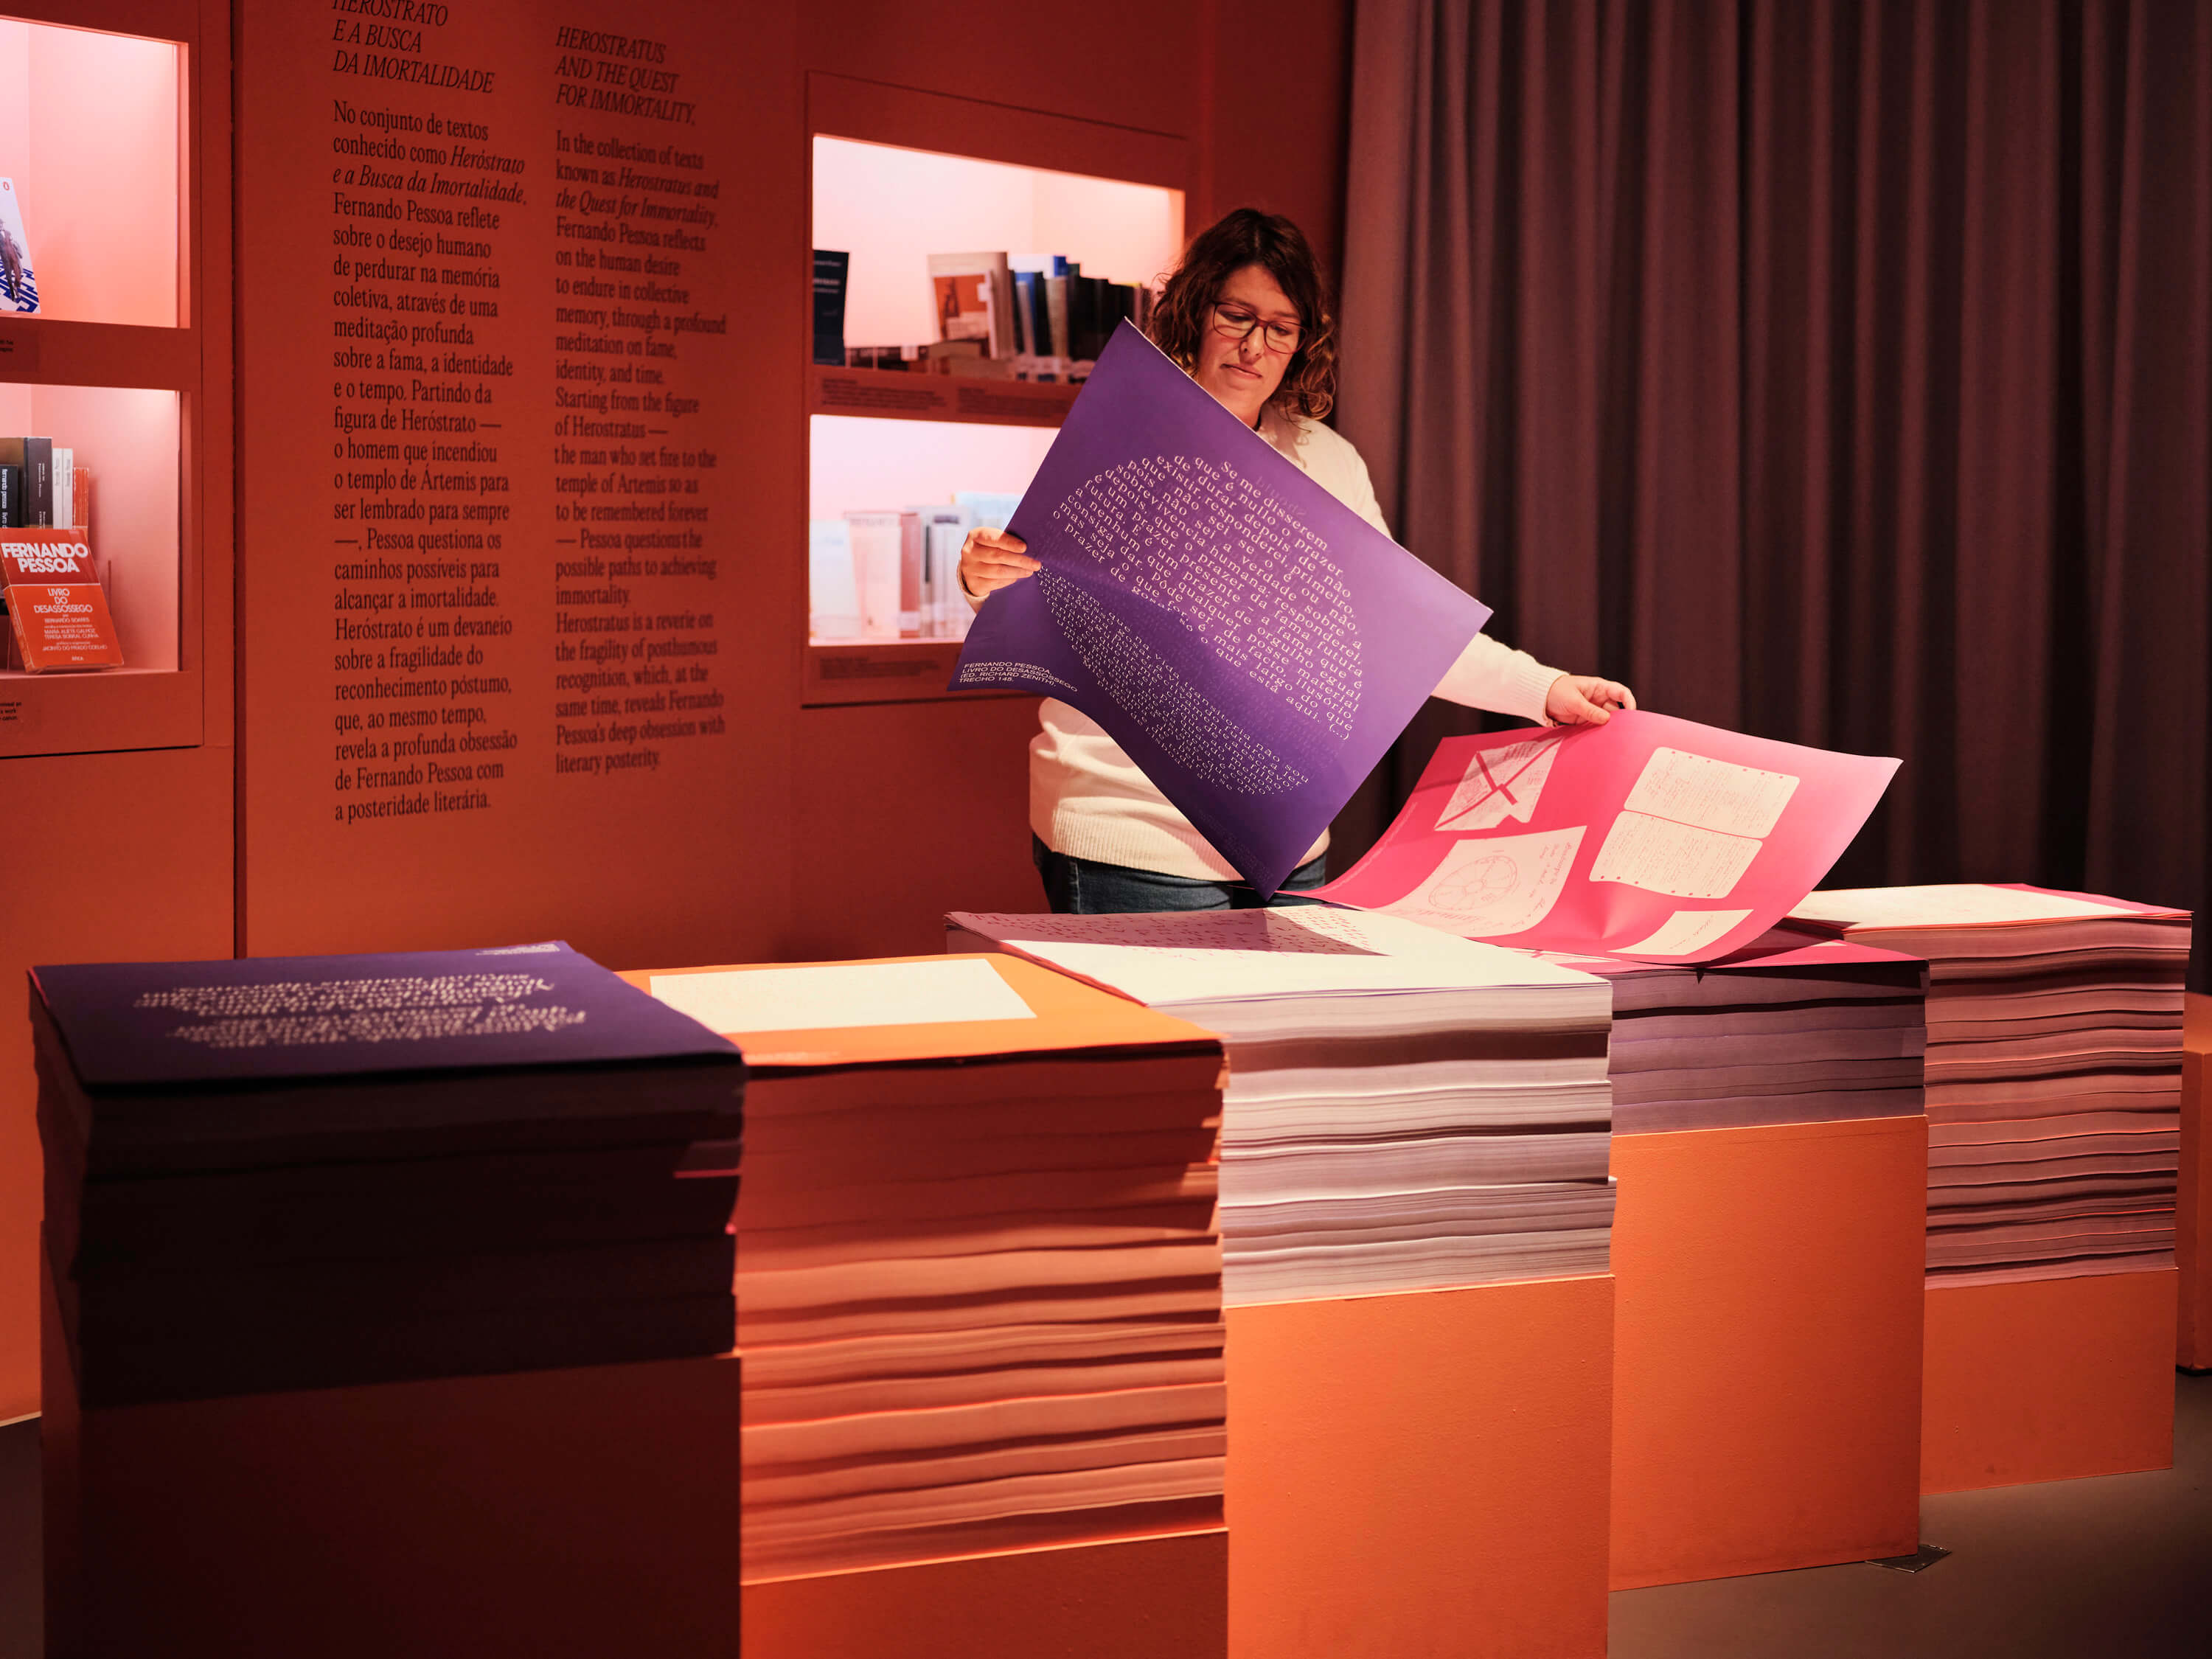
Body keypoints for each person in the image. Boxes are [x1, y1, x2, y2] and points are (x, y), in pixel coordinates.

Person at [959, 208, 1634, 914]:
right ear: (1194, 310)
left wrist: (1545, 690)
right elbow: (1031, 590)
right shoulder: (1118, 431)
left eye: (1281, 329)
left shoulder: (1329, 461)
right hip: (1133, 838)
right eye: (1236, 317)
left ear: (1302, 342)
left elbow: (1398, 630)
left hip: (1285, 848)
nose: (1254, 346)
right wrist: (979, 578)